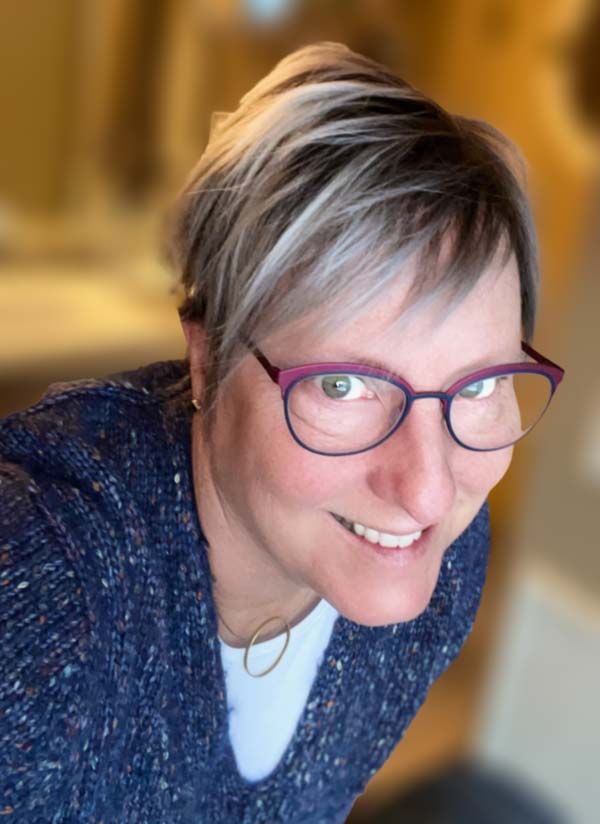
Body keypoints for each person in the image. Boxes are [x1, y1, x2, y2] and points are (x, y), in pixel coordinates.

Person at [0, 42, 564, 823]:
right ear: (207, 361)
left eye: (479, 385)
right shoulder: (42, 598)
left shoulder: (437, 559)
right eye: (343, 385)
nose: (428, 488)